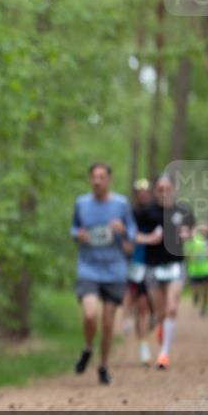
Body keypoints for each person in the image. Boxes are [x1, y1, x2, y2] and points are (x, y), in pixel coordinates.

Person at [70, 162, 136, 385]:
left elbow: (133, 232)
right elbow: (73, 227)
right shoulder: (81, 203)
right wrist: (77, 234)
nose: (97, 181)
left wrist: (123, 230)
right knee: (90, 314)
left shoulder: (121, 204)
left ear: (109, 180)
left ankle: (104, 366)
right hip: (88, 267)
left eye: (101, 177)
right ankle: (88, 348)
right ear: (90, 180)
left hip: (115, 269)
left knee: (108, 323)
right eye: (94, 177)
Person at [140, 174, 194, 370]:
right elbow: (133, 235)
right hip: (153, 266)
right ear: (155, 191)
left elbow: (192, 231)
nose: (164, 192)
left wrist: (187, 234)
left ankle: (164, 354)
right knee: (161, 312)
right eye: (160, 189)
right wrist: (148, 238)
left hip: (175, 265)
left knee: (171, 309)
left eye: (167, 188)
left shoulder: (183, 211)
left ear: (174, 189)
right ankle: (161, 327)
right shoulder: (146, 212)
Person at [128, 179, 156, 365]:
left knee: (156, 307)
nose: (143, 194)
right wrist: (147, 239)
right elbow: (128, 236)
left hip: (157, 266)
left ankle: (155, 320)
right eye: (139, 191)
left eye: (146, 191)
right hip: (137, 264)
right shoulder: (130, 214)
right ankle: (143, 347)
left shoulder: (158, 212)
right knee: (142, 307)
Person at [187, 224, 208, 317]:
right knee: (195, 288)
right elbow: (188, 253)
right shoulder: (194, 240)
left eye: (206, 230)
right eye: (202, 229)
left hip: (207, 270)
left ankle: (204, 308)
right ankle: (195, 295)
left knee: (206, 291)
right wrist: (192, 257)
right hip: (194, 270)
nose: (204, 231)